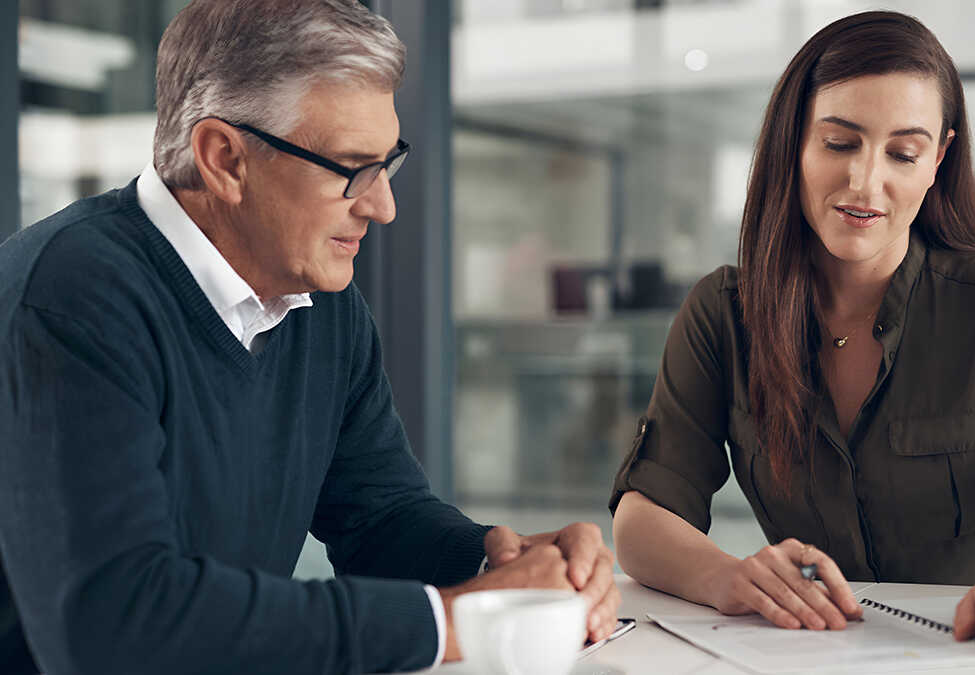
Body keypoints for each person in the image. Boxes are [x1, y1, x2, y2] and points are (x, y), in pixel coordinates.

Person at [0, 1, 618, 673]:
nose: (383, 205)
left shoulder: (320, 305)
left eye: (388, 164)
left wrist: (501, 560)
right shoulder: (69, 295)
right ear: (225, 159)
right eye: (352, 168)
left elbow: (377, 518)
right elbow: (114, 623)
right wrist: (455, 620)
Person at [610, 10, 975, 661]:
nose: (864, 182)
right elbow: (644, 518)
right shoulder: (723, 313)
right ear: (794, 143)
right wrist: (728, 576)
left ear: (937, 159)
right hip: (804, 653)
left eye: (902, 153)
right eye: (840, 143)